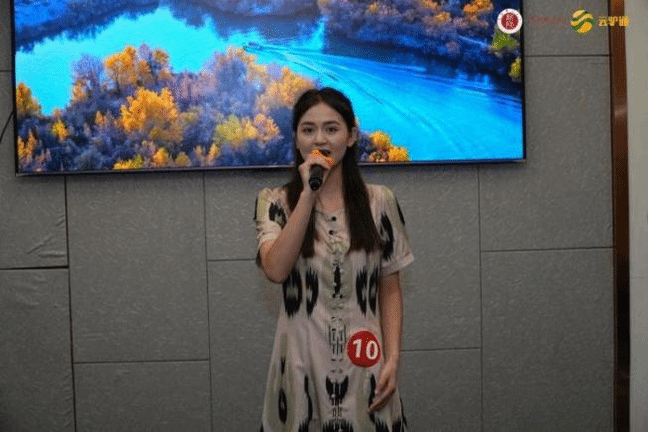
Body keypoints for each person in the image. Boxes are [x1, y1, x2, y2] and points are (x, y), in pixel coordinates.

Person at [254, 87, 414, 431]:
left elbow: (390, 287)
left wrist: (393, 358)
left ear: (351, 136)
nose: (320, 139)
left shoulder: (380, 202)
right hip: (300, 365)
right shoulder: (274, 201)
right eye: (308, 129)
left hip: (364, 361)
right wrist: (308, 195)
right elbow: (276, 269)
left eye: (331, 128)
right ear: (296, 139)